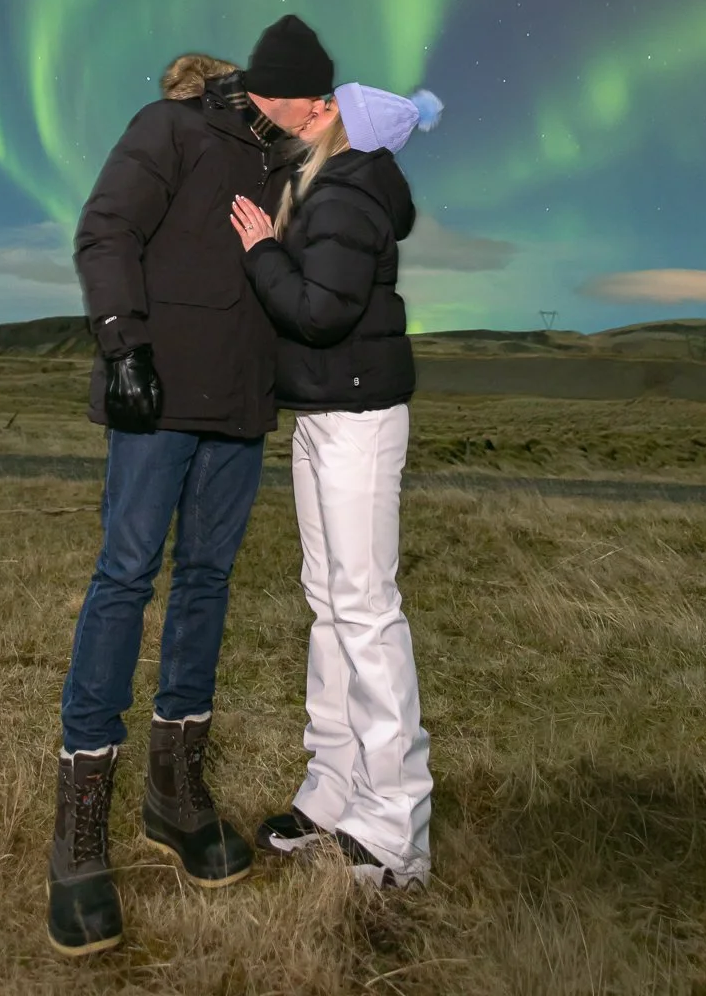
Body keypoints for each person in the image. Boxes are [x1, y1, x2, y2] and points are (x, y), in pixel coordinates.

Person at [47, 15, 336, 958]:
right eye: (311, 94)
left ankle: (175, 797)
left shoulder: (286, 162)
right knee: (126, 577)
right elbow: (106, 231)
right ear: (267, 84)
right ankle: (80, 839)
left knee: (207, 583)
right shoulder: (168, 130)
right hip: (159, 397)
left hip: (240, 408)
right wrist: (123, 344)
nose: (320, 110)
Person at [229, 81, 441, 889]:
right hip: (323, 411)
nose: (310, 112)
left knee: (364, 606)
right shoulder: (327, 184)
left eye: (327, 107)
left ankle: (395, 829)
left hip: (357, 416)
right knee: (328, 601)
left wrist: (260, 254)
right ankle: (334, 790)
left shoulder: (352, 196)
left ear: (350, 129)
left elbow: (319, 311)